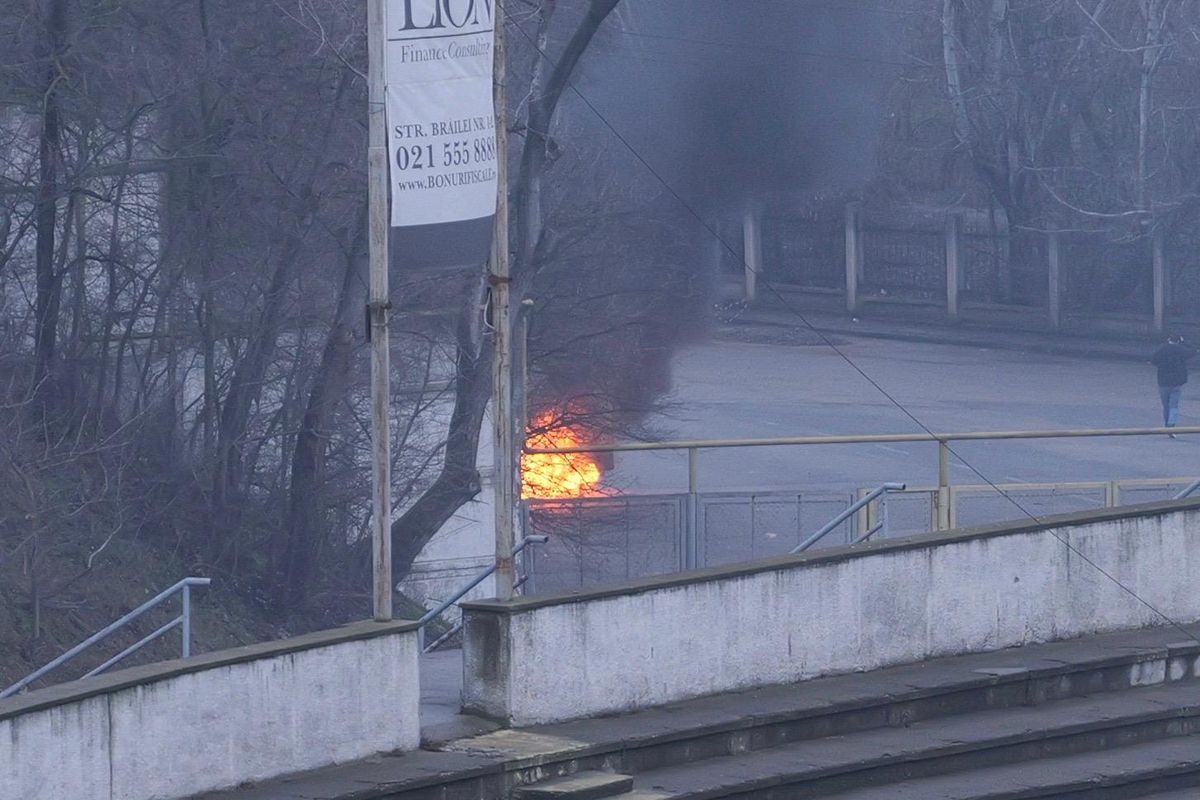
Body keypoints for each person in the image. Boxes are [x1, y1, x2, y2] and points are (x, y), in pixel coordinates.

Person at [1150, 334, 1196, 436]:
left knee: (1166, 406)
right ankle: (1171, 426)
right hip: (1176, 382)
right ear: (1179, 341)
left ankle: (1167, 426)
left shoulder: (1162, 349)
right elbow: (1193, 351)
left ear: (1168, 339)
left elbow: (1153, 360)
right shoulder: (1181, 349)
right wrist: (1185, 342)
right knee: (1174, 406)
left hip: (1163, 381)